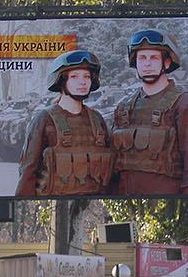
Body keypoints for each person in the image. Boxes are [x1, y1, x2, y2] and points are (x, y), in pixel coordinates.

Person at [110, 29, 188, 196]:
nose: (147, 64)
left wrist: (187, 201)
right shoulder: (123, 107)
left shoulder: (185, 104)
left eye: (153, 58)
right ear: (135, 63)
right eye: (142, 58)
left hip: (166, 200)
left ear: (167, 62)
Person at [16, 50, 114, 196]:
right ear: (61, 81)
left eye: (87, 76)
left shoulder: (97, 120)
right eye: (74, 76)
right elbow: (28, 172)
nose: (82, 82)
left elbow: (110, 173)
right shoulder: (44, 119)